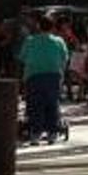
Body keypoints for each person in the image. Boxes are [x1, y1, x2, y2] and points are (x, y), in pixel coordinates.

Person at [19, 15, 69, 145]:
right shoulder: (59, 41)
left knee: (35, 104)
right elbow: (64, 58)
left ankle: (36, 132)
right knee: (52, 103)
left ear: (38, 26)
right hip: (53, 75)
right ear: (52, 27)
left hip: (34, 76)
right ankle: (52, 132)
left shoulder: (30, 41)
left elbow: (22, 58)